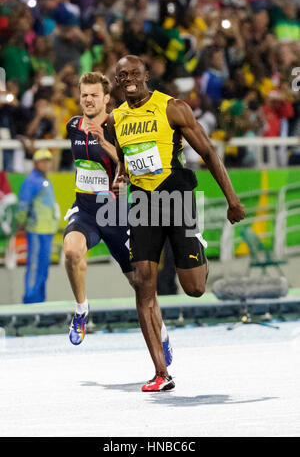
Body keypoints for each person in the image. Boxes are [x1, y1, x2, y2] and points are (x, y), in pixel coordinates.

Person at [110, 55, 245, 392]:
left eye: (134, 74)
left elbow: (209, 153)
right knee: (143, 284)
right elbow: (128, 156)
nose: (129, 80)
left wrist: (232, 200)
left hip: (177, 198)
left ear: (146, 75)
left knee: (195, 288)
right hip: (142, 203)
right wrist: (121, 174)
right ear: (116, 80)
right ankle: (160, 371)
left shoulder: (173, 108)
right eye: (122, 75)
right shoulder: (116, 119)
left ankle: (196, 249)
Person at [63, 72, 133, 345]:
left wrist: (105, 143)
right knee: (71, 250)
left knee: (140, 283)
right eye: (84, 95)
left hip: (115, 212)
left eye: (94, 95)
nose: (88, 100)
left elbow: (127, 162)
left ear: (106, 99)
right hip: (86, 209)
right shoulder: (72, 126)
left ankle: (161, 335)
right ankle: (81, 311)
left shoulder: (117, 127)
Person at [16, 149, 60, 303]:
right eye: (43, 161)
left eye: (48, 160)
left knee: (43, 269)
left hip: (47, 231)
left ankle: (40, 302)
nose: (46, 164)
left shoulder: (44, 180)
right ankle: (30, 301)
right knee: (35, 267)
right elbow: (23, 204)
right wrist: (21, 223)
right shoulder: (31, 181)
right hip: (36, 231)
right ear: (35, 163)